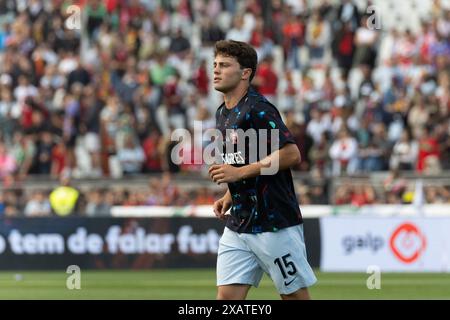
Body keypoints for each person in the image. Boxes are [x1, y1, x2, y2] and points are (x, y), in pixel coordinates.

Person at [208, 40, 317, 300]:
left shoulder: (258, 109)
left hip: (273, 223)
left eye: (224, 65)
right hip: (239, 224)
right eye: (214, 65)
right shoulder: (222, 113)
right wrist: (230, 195)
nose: (216, 70)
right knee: (227, 299)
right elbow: (241, 161)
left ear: (245, 73)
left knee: (294, 298)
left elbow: (291, 154)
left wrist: (239, 174)